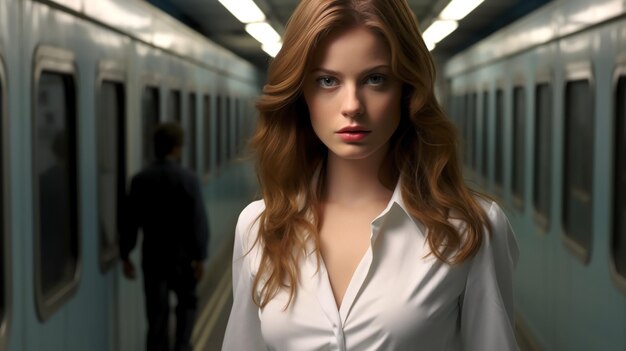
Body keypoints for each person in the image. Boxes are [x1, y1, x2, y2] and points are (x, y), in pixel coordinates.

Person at [222, 0, 519, 350]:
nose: (352, 105)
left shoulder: (469, 229)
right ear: (302, 95)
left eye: (375, 79)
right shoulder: (258, 227)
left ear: (408, 90)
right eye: (328, 81)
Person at [121, 122, 209, 351]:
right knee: (187, 303)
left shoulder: (139, 180)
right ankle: (182, 345)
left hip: (153, 257)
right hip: (183, 257)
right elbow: (198, 221)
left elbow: (131, 222)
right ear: (176, 148)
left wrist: (125, 254)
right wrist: (200, 257)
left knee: (156, 315)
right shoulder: (188, 179)